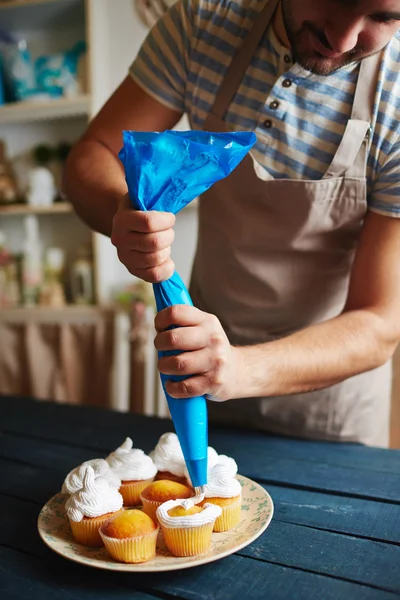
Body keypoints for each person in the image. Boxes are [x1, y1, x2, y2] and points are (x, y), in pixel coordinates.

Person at [64, 0, 400, 447]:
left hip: (331, 413)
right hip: (199, 392)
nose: (342, 40)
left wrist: (238, 368)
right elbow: (92, 156)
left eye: (384, 17)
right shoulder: (203, 22)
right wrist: (121, 213)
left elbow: (379, 321)